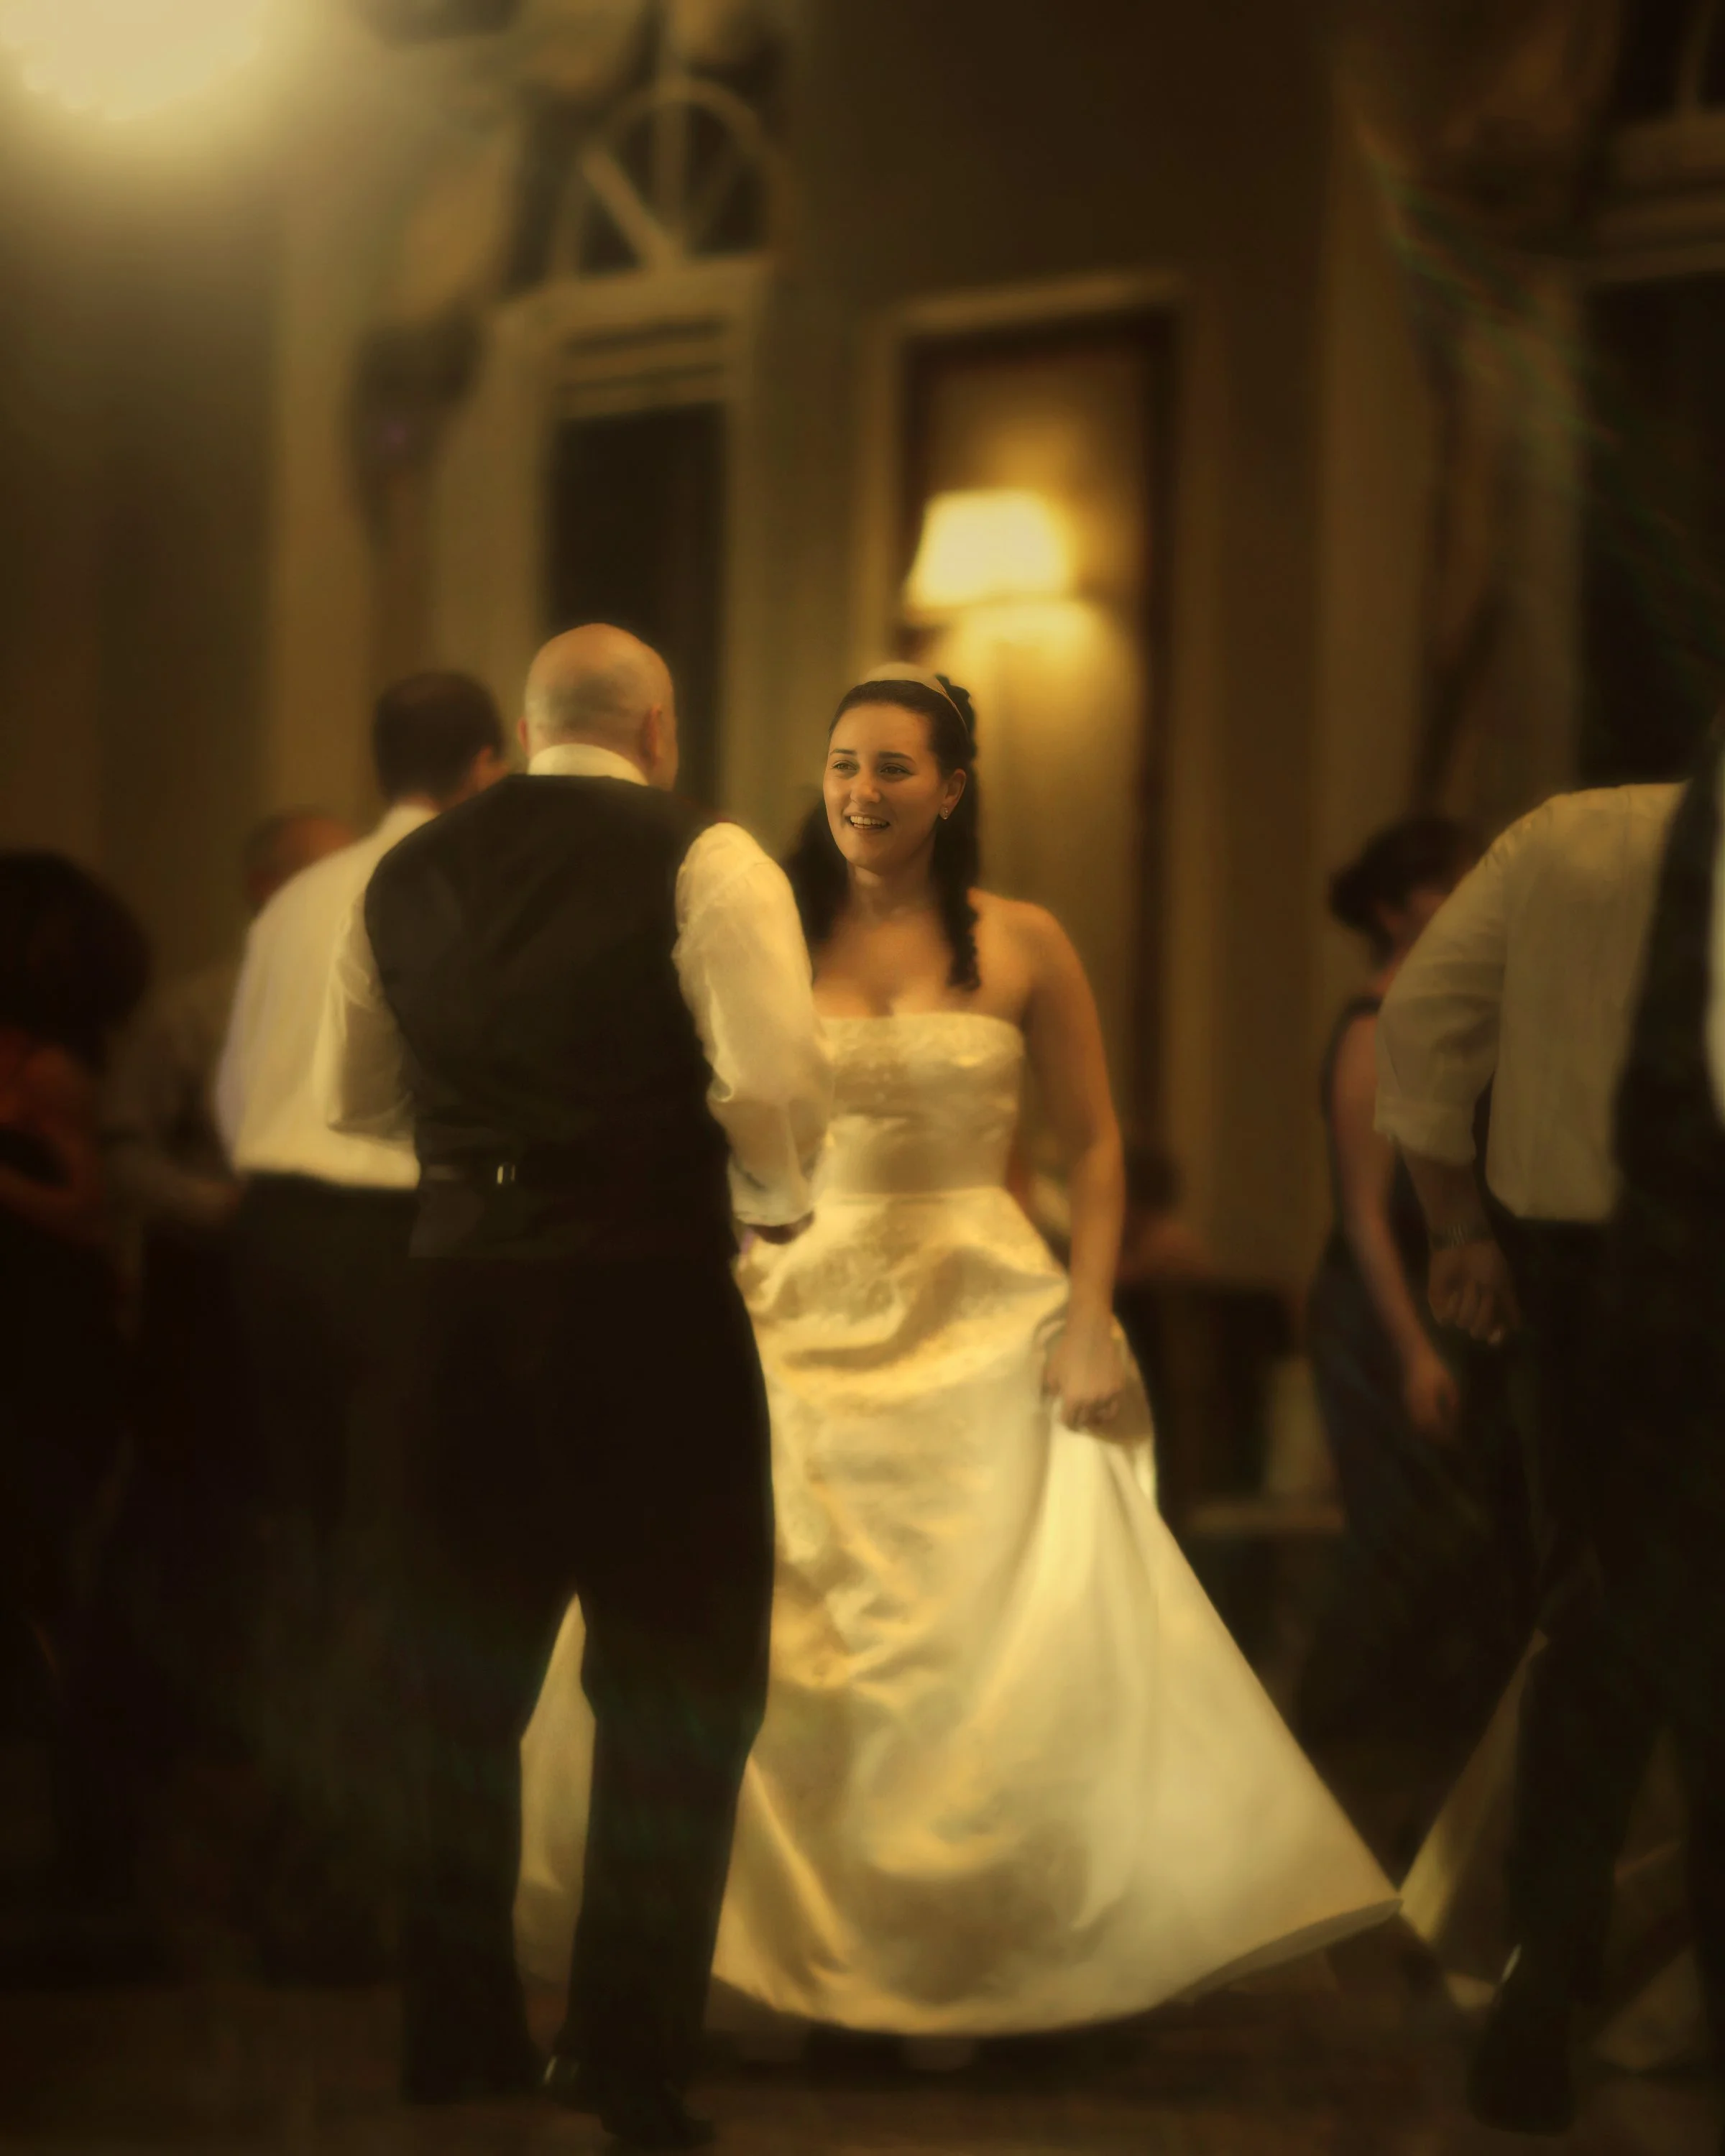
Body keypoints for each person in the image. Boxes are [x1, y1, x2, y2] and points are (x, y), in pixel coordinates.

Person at [518, 668, 1394, 2067]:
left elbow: (1097, 1144)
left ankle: (1011, 1971)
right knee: (803, 1649)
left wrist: (1094, 1312)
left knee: (996, 1650)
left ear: (953, 787)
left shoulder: (1026, 940)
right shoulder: (761, 927)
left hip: (983, 1306)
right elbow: (686, 1114)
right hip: (791, 1303)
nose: (862, 792)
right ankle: (816, 1977)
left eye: (893, 769)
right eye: (843, 765)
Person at [316, 625, 829, 2146]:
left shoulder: (401, 871)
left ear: (531, 728)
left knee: (454, 1688)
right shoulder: (707, 856)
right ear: (658, 727)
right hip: (640, 1294)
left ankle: (456, 2031)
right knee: (676, 1683)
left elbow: (357, 1097)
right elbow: (768, 1079)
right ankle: (620, 2052)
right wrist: (777, 1194)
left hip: (455, 1295)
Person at [1374, 778, 1682, 2133]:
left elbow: (1425, 1017)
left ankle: (1540, 1999)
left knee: (1596, 1626)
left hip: (1585, 1272)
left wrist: (1456, 1224)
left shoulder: (1569, 836)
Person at [215, 676, 505, 1978]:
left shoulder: (292, 900)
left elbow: (236, 1095)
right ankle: (345, 1893)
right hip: (393, 1246)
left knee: (300, 1547)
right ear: (490, 764)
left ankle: (280, 1871)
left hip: (269, 1238)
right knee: (395, 1558)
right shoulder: (466, 888)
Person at [98, 811, 353, 1785]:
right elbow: (124, 1147)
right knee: (184, 1517)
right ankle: (144, 1751)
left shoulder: (370, 1003)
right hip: (207, 1297)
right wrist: (224, 1210)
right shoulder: (196, 1009)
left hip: (324, 1300)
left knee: (305, 1523)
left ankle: (279, 1749)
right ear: (263, 891)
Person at [1299, 819, 1530, 1803]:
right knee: (1397, 1540)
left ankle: (1434, 1788)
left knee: (1473, 1548)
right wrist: (1413, 1354)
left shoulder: (1462, 1014)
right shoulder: (1370, 1026)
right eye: (1445, 884)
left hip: (1461, 1309)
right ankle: (1324, 1762)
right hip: (1384, 1311)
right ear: (1396, 910)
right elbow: (1362, 1215)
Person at [0, 852, 149, 1926]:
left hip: (49, 1345)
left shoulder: (52, 1071)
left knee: (49, 1572)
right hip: (41, 1339)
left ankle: (81, 1849)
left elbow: (92, 1216)